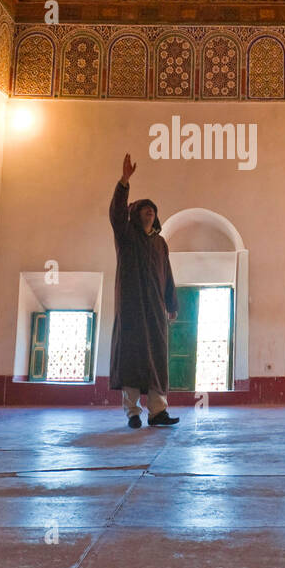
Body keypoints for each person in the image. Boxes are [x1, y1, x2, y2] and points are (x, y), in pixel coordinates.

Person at [109, 153, 180, 428]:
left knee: (156, 360)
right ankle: (133, 413)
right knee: (131, 357)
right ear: (135, 214)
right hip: (130, 309)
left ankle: (157, 412)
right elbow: (116, 213)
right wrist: (124, 182)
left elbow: (168, 276)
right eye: (144, 208)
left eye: (153, 209)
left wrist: (171, 304)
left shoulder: (160, 244)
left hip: (154, 311)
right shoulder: (126, 237)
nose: (150, 211)